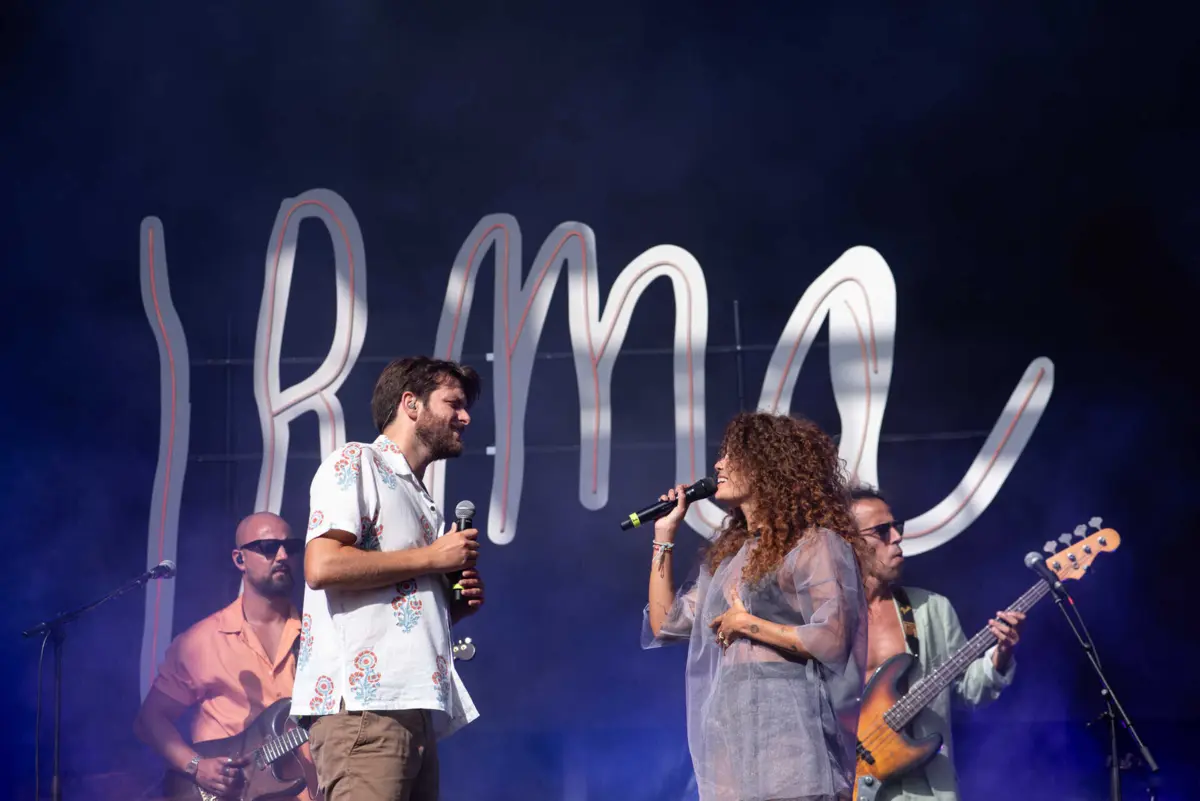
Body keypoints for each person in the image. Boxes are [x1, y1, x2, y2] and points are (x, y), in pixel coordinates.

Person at [644, 412, 872, 801]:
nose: (718, 464)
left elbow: (832, 638)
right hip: (731, 730)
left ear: (768, 466)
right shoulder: (731, 557)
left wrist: (747, 624)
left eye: (732, 455)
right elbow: (666, 623)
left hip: (790, 731)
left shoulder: (815, 544)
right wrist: (664, 537)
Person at [294, 356, 486, 801]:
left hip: (413, 708)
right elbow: (321, 566)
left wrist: (449, 604)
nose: (465, 417)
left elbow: (386, 610)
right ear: (411, 404)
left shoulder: (421, 499)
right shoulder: (357, 462)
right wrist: (431, 557)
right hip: (366, 712)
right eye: (453, 403)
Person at [851, 485, 1023, 801]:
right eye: (881, 531)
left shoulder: (932, 609)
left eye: (896, 527)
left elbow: (972, 691)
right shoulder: (823, 619)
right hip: (843, 784)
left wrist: (1001, 653)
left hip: (925, 789)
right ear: (848, 543)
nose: (897, 537)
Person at [135, 512, 309, 799]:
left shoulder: (321, 636)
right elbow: (150, 721)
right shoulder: (200, 641)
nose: (282, 555)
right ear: (239, 559)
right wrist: (196, 766)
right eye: (267, 547)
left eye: (290, 547)